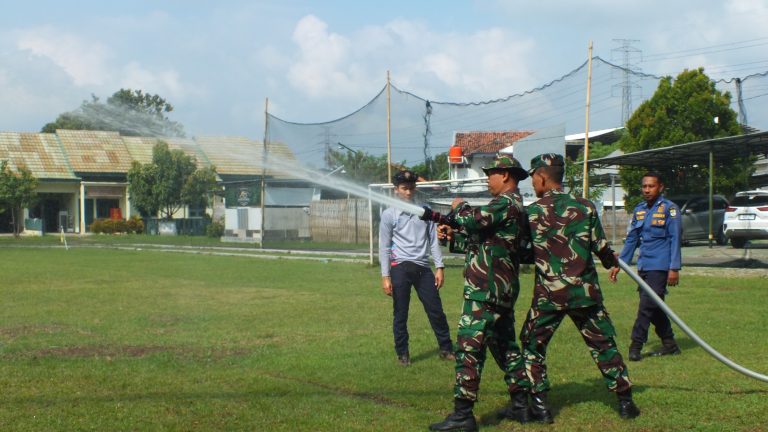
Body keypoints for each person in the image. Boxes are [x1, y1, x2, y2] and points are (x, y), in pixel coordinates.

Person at [520, 153, 640, 423]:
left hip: (549, 296)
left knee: (532, 344)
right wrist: (612, 262)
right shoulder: (585, 207)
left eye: (533, 178)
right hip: (584, 293)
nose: (532, 184)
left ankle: (539, 406)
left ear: (541, 176)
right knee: (604, 345)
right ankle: (625, 402)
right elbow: (600, 246)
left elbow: (524, 252)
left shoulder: (533, 213)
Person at [423, 155, 531, 432]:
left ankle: (463, 415)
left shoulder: (506, 203)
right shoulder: (512, 206)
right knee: (505, 347)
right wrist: (453, 237)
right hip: (500, 289)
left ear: (505, 175)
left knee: (469, 349)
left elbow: (474, 220)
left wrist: (459, 207)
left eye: (490, 173)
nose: (487, 177)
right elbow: (485, 242)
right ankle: (522, 405)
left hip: (485, 291)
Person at [379, 169, 454, 367]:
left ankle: (446, 348)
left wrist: (439, 267)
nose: (408, 192)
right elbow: (384, 246)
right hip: (400, 268)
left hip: (423, 268)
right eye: (404, 188)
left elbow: (433, 241)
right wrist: (385, 276)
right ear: (396, 190)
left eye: (411, 188)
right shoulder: (389, 215)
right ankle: (402, 353)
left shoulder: (425, 211)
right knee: (400, 313)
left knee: (435, 310)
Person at [611, 172, 682, 361]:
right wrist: (620, 264)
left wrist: (674, 268)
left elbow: (675, 239)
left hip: (660, 265)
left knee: (646, 306)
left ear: (661, 187)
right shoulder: (640, 209)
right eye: (644, 186)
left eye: (651, 186)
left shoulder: (670, 209)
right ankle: (670, 344)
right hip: (644, 265)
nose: (647, 190)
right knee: (655, 306)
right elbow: (632, 238)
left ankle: (636, 345)